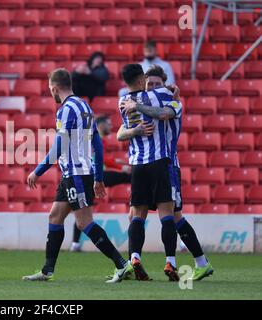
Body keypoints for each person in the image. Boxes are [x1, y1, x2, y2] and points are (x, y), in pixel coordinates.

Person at [22, 68, 132, 284]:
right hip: (74, 174)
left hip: (76, 174)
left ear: (54, 88)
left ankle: (122, 264)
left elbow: (60, 145)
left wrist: (38, 170)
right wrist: (99, 176)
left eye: (50, 90)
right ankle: (47, 271)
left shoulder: (65, 110)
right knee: (55, 216)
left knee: (84, 222)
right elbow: (98, 145)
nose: (50, 93)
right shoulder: (85, 107)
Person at [117, 66, 213, 281]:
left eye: (156, 84)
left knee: (171, 215)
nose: (152, 88)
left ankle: (192, 262)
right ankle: (142, 261)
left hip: (168, 165)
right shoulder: (144, 98)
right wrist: (136, 130)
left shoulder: (171, 101)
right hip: (144, 164)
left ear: (165, 84)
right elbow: (120, 132)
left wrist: (139, 104)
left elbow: (163, 113)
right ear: (143, 82)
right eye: (149, 84)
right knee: (144, 214)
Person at [118, 64, 180, 281]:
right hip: (158, 161)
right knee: (166, 214)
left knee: (138, 215)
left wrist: (135, 115)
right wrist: (172, 93)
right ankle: (171, 262)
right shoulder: (160, 94)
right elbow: (164, 113)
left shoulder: (123, 101)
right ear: (142, 78)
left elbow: (119, 133)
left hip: (137, 164)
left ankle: (134, 258)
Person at [70, 115, 132, 252]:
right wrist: (120, 167)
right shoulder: (94, 137)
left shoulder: (91, 137)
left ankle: (75, 243)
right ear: (101, 125)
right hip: (93, 177)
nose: (111, 126)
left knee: (84, 212)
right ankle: (146, 200)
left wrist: (117, 162)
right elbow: (100, 159)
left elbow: (103, 159)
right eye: (108, 124)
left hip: (88, 177)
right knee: (131, 176)